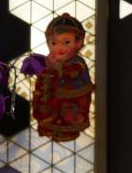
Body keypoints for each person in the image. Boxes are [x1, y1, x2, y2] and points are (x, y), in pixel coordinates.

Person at [31, 13, 94, 141]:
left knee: (68, 118)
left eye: (66, 42)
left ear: (78, 43)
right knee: (50, 115)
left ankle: (67, 133)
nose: (60, 48)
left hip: (73, 104)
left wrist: (55, 68)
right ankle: (50, 129)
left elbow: (72, 73)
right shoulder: (50, 60)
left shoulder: (77, 63)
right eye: (54, 43)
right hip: (53, 101)